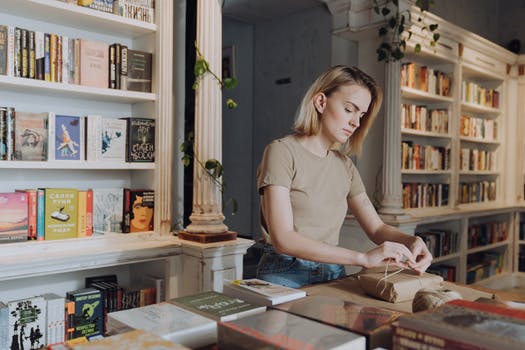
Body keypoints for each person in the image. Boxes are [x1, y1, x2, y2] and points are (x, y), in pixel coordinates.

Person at [256, 65, 432, 288]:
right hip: (285, 272)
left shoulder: (345, 166)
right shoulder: (281, 152)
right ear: (320, 102)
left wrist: (413, 241)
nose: (356, 123)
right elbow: (283, 239)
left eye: (361, 115)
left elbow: (376, 228)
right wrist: (362, 259)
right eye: (349, 109)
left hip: (333, 272)